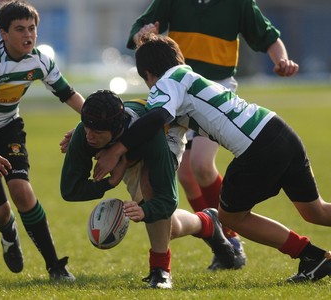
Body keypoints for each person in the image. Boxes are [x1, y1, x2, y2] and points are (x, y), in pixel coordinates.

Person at [93, 34, 331, 283]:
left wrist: (116, 150)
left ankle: (311, 255)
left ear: (149, 74)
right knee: (316, 212)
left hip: (256, 147)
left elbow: (156, 117)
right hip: (279, 130)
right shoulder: (186, 76)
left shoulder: (166, 82)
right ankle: (314, 258)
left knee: (231, 218)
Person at [126, 0, 299, 270]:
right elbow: (140, 29)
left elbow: (267, 35)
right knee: (185, 174)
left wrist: (282, 61)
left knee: (202, 166)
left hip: (212, 91)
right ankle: (219, 240)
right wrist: (142, 32)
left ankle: (232, 238)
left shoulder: (238, 4)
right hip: (177, 91)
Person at [0, 0, 84, 281]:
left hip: (8, 129)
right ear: (3, 33)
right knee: (0, 214)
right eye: (20, 29)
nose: (28, 35)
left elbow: (68, 95)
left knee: (22, 192)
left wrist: (97, 122)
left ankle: (55, 267)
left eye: (32, 28)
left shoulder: (40, 60)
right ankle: (8, 232)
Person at [60, 89, 237, 289]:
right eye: (86, 129)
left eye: (98, 133)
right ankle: (206, 223)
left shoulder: (152, 136)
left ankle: (160, 270)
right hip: (129, 150)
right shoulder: (85, 133)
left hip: (167, 131)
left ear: (115, 130)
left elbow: (168, 200)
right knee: (166, 227)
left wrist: (145, 210)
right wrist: (109, 182)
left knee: (152, 193)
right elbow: (70, 190)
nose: (90, 137)